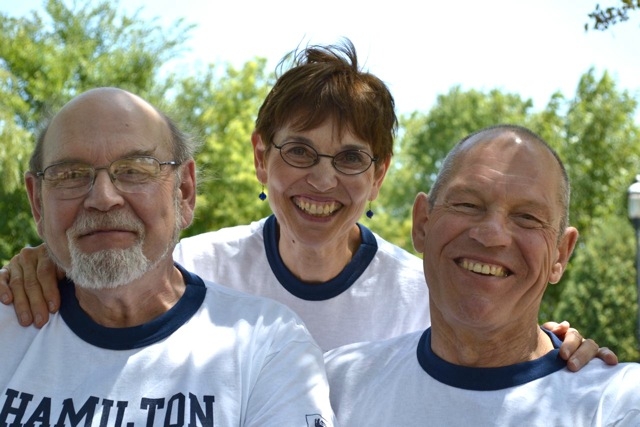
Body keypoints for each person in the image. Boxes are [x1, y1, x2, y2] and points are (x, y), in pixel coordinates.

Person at [0, 41, 613, 367]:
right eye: (299, 152)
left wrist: (558, 351)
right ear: (261, 158)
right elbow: (107, 276)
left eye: (350, 158)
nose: (322, 180)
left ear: (380, 177)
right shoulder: (191, 267)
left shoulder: (429, 292)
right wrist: (44, 266)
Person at [0, 87, 335, 426]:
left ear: (185, 193)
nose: (102, 198)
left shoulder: (267, 345)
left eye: (134, 169)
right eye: (70, 175)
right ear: (37, 202)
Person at [324, 124, 640, 426]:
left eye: (527, 217)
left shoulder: (619, 404)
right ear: (422, 224)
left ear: (560, 253)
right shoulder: (335, 388)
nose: (491, 234)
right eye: (467, 204)